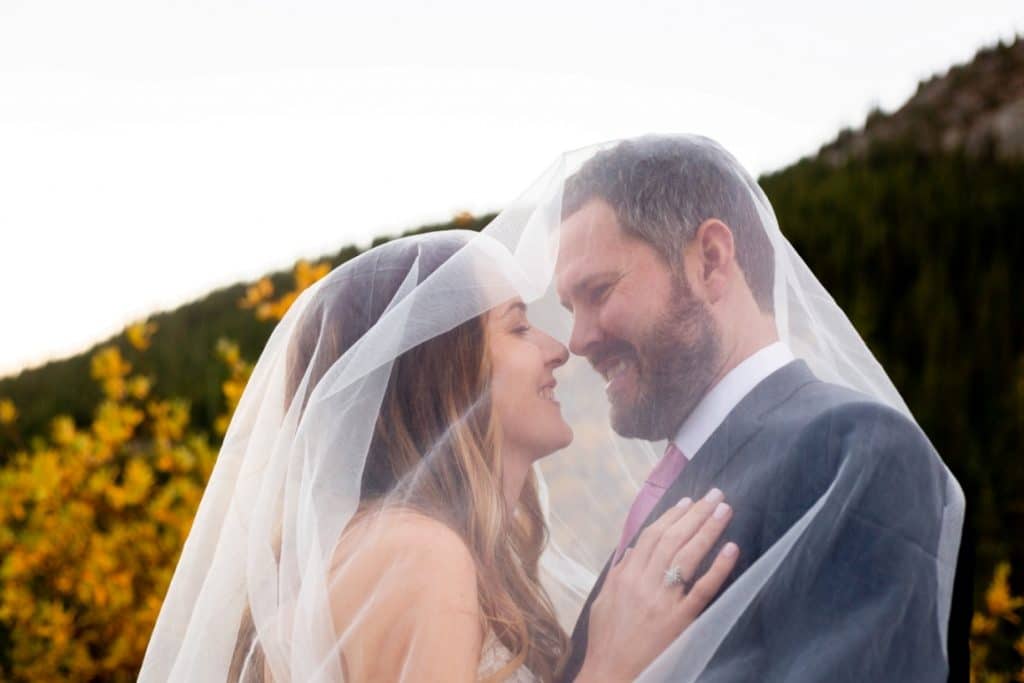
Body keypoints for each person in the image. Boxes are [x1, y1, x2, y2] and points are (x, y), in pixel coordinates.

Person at [138, 230, 741, 682]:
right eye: (518, 328)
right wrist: (610, 665)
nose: (559, 349)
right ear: (445, 374)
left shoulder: (381, 546)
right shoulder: (419, 553)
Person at [552, 136, 965, 681]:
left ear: (711, 261)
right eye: (568, 308)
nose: (577, 340)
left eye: (599, 291)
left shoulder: (853, 450)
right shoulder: (680, 484)